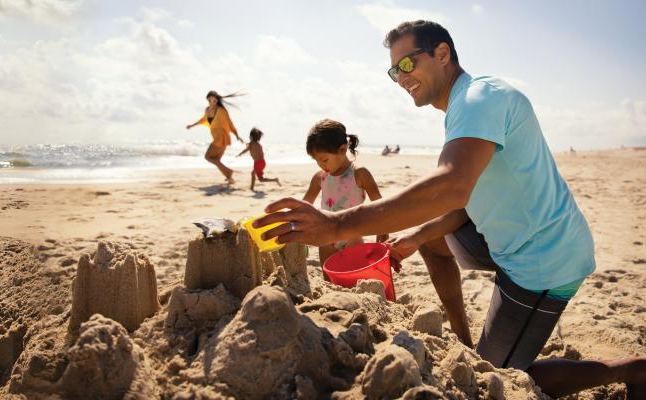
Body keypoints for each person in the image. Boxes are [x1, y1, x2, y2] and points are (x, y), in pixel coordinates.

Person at [254, 20, 645, 398]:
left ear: (442, 54)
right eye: (394, 71)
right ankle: (465, 337)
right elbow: (467, 201)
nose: (402, 77)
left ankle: (632, 369)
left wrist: (336, 225)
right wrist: (418, 235)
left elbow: (451, 186)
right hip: (511, 241)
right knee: (431, 240)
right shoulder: (464, 104)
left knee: (498, 377)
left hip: (543, 261)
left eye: (408, 63)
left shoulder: (478, 99)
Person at [301, 119, 388, 268]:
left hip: (352, 234)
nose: (321, 165)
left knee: (353, 276)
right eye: (317, 161)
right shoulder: (319, 178)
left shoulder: (359, 173)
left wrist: (383, 230)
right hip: (326, 235)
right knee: (329, 277)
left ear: (342, 149)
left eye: (324, 159)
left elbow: (379, 203)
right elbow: (304, 205)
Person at [186, 90, 244, 184]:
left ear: (217, 100)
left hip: (222, 137)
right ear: (207, 100)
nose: (212, 102)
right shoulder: (207, 110)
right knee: (216, 160)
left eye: (214, 100)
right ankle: (229, 177)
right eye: (210, 100)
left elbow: (229, 123)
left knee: (208, 157)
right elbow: (203, 119)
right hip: (216, 137)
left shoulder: (221, 110)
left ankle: (229, 172)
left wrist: (237, 135)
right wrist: (192, 125)